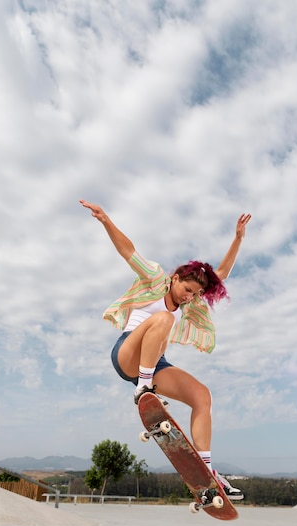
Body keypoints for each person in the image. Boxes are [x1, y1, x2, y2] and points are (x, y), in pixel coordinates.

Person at [80, 199, 251, 500]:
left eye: (195, 294)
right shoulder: (156, 278)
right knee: (162, 319)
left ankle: (208, 471)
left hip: (156, 363)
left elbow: (221, 273)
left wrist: (237, 240)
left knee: (202, 396)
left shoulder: (190, 300)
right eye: (187, 290)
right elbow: (128, 251)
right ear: (175, 279)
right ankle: (144, 388)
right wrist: (105, 219)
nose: (189, 298)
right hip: (127, 354)